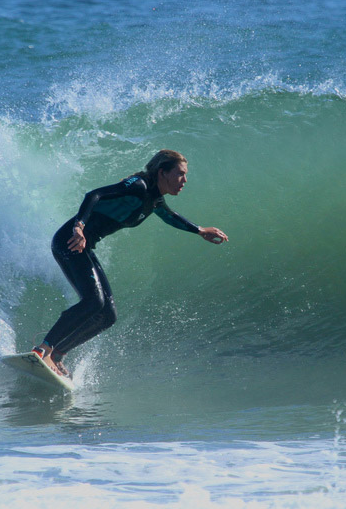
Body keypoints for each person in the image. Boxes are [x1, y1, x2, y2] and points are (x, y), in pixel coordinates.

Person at [32, 149, 228, 377]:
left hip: (85, 247)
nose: (184, 180)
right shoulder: (139, 186)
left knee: (107, 316)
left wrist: (200, 230)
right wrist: (79, 226)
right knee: (93, 301)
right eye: (180, 174)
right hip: (70, 241)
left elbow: (170, 216)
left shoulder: (154, 200)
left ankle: (57, 353)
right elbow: (94, 195)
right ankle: (43, 349)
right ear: (162, 172)